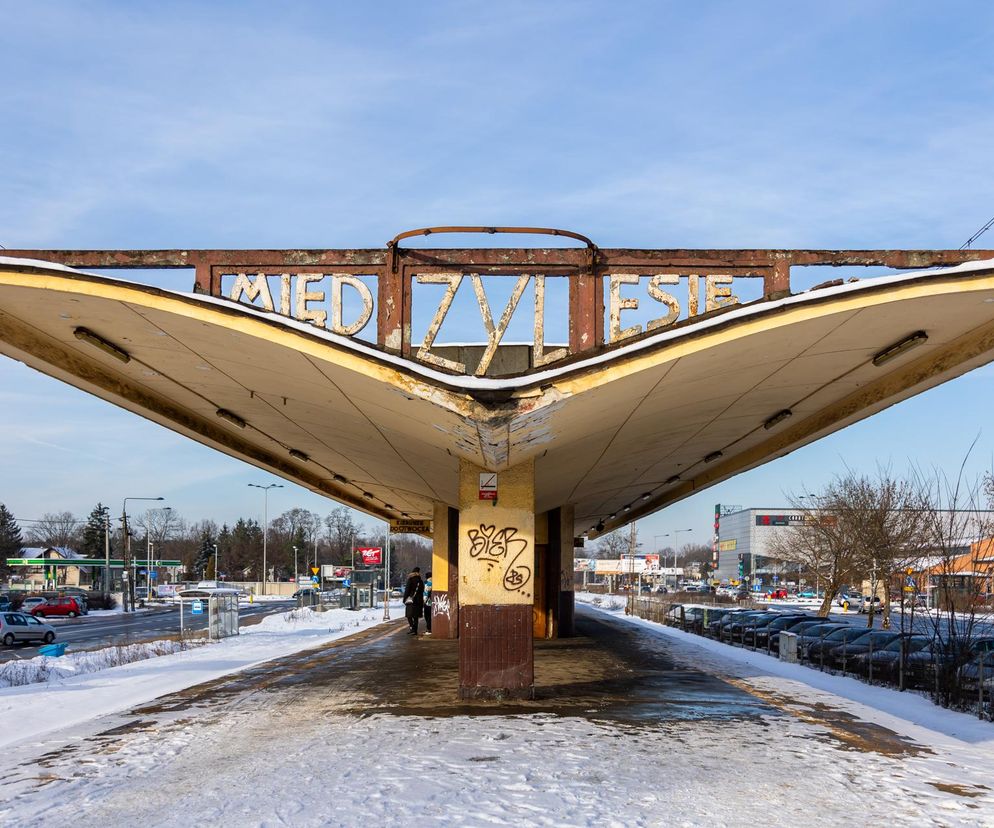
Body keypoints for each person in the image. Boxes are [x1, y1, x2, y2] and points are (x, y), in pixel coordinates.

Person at [402, 566, 424, 635]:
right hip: (418, 601)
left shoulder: (410, 580)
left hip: (411, 600)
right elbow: (422, 591)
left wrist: (404, 599)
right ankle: (415, 630)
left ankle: (412, 628)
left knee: (409, 615)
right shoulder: (420, 581)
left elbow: (407, 590)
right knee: (416, 616)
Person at [423, 571, 433, 636]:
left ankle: (429, 629)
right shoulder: (433, 582)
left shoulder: (426, 583)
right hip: (429, 601)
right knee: (429, 616)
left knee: (427, 616)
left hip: (426, 601)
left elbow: (426, 592)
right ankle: (429, 628)